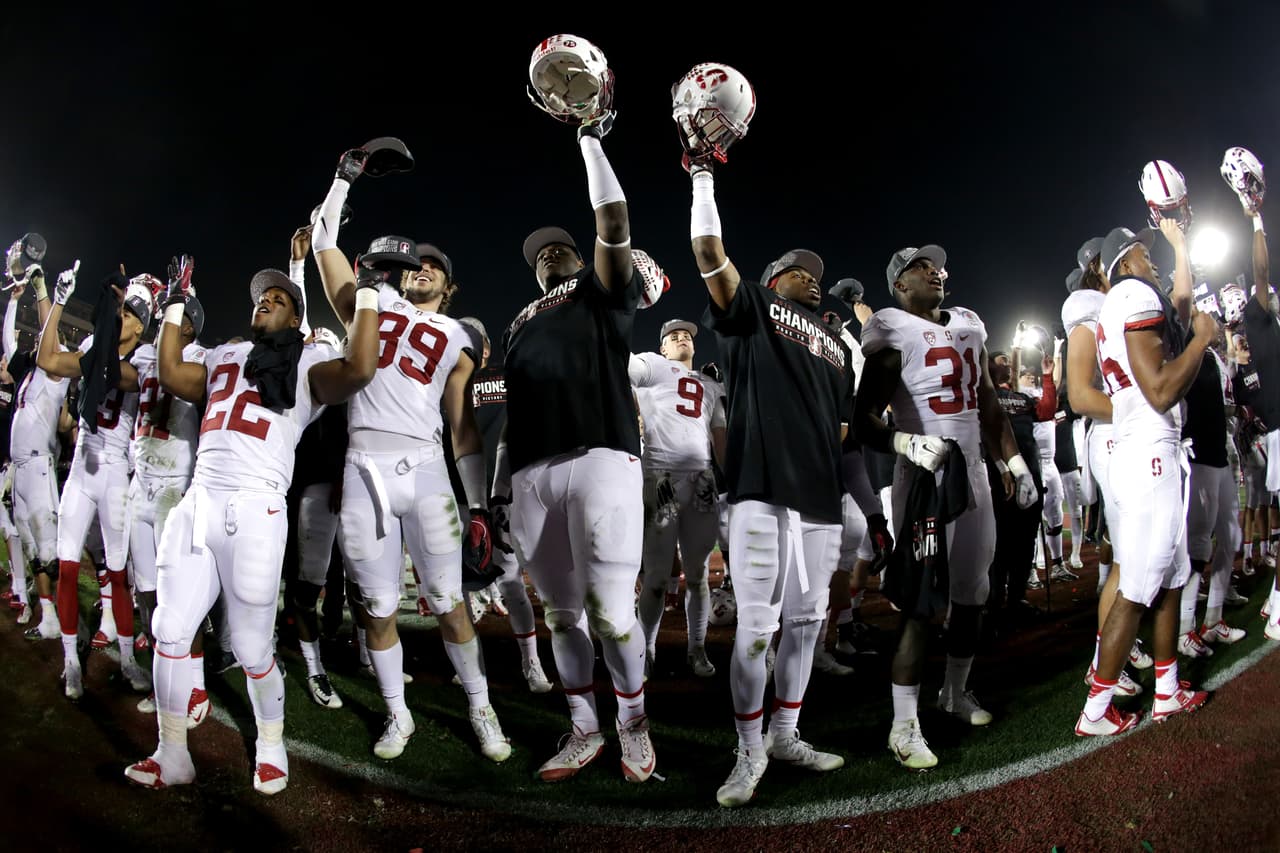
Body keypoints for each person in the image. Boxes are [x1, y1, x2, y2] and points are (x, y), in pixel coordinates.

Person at [124, 258, 379, 794]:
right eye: (262, 296)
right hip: (198, 501)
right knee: (170, 631)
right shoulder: (224, 355)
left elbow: (359, 368)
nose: (265, 301)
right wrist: (174, 301)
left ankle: (270, 741)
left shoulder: (308, 365)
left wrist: (369, 297)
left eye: (279, 299)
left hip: (257, 508)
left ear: (295, 321)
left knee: (251, 648)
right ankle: (171, 753)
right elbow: (170, 373)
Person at [311, 151, 510, 764]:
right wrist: (344, 178)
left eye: (434, 267)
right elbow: (323, 245)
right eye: (415, 262)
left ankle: (480, 705)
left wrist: (477, 503)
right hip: (364, 465)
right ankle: (398, 714)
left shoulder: (457, 336)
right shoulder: (370, 304)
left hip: (426, 472)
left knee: (449, 600)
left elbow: (462, 424)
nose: (421, 268)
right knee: (375, 606)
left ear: (447, 287)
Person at [688, 147, 873, 804]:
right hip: (762, 488)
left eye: (815, 273)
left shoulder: (832, 346)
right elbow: (710, 253)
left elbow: (846, 430)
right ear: (773, 277)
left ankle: (786, 730)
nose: (812, 278)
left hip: (818, 496)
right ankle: (747, 749)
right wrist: (702, 173)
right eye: (800, 271)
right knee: (757, 626)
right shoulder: (756, 309)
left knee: (806, 621)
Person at [498, 110, 655, 785]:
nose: (549, 256)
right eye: (541, 254)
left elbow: (614, 225)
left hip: (600, 452)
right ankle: (586, 727)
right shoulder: (516, 322)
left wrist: (590, 138)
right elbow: (508, 411)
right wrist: (496, 489)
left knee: (614, 614)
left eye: (559, 247)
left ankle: (634, 722)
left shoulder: (598, 289)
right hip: (532, 466)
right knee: (561, 612)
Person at [855, 244, 1034, 770]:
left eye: (934, 266)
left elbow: (989, 405)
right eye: (917, 267)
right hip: (925, 474)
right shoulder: (892, 330)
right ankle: (902, 725)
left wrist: (1014, 464)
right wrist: (905, 444)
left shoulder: (970, 327)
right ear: (899, 286)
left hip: (974, 470)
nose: (932, 271)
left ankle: (954, 692)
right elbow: (864, 416)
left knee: (973, 593)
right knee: (919, 602)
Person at [1075, 222, 1212, 736]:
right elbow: (1158, 390)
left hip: (1149, 446)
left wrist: (1180, 249)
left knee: (1173, 576)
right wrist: (1200, 341)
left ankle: (1167, 688)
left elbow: (1174, 309)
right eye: (1144, 254)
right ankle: (1095, 710)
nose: (1150, 263)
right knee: (1137, 587)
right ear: (1124, 263)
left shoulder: (1122, 299)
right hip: (1149, 446)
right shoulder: (1132, 292)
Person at [36, 263, 153, 699]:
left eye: (128, 314)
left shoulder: (142, 360)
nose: (121, 317)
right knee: (67, 566)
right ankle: (71, 660)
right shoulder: (94, 342)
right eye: (120, 312)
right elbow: (48, 359)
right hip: (83, 464)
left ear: (140, 327)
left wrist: (109, 313)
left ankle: (126, 658)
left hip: (115, 472)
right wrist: (58, 303)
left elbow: (103, 370)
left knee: (118, 574)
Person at [127, 271, 212, 725]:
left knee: (180, 592)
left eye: (175, 316)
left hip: (177, 483)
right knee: (146, 589)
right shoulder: (145, 356)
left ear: (190, 323)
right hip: (139, 481)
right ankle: (167, 678)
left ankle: (195, 686)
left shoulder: (202, 358)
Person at [629, 318, 726, 679]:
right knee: (655, 576)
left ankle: (696, 648)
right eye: (672, 334)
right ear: (663, 347)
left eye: (687, 334)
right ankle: (647, 648)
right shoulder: (652, 364)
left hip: (702, 478)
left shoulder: (711, 383)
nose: (681, 336)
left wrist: (731, 480)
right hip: (662, 477)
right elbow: (617, 366)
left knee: (699, 575)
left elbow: (720, 438)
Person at [459, 317, 552, 693]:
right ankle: (472, 667)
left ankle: (531, 662)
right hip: (460, 493)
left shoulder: (507, 375)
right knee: (459, 586)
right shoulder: (444, 384)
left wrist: (504, 495)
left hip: (503, 495)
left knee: (512, 583)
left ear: (484, 348)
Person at [4, 273, 67, 632]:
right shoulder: (30, 375)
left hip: (40, 466)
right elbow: (9, 350)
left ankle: (70, 621)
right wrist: (14, 300)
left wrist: (45, 294)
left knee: (49, 553)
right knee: (31, 550)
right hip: (20, 467)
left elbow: (51, 335)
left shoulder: (56, 373)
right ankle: (49, 618)